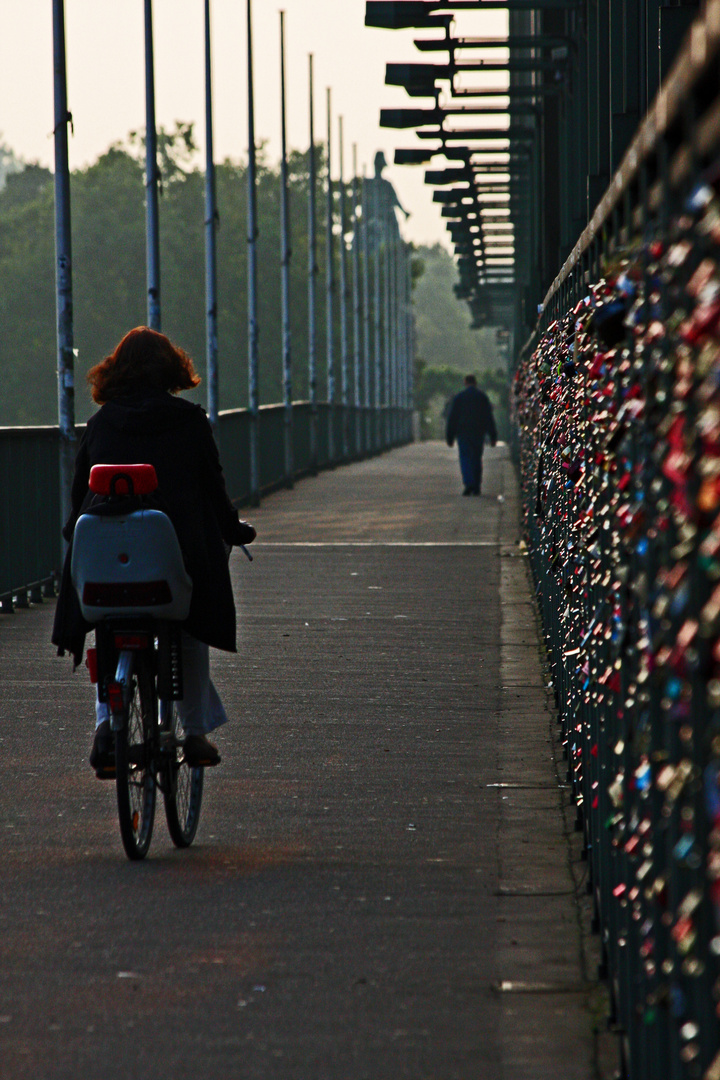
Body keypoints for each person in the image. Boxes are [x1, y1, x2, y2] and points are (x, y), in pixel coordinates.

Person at [51, 326, 256, 774]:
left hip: (104, 561)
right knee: (188, 621)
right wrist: (232, 528)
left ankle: (107, 722)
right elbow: (212, 487)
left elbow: (77, 494)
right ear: (171, 368)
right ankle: (196, 731)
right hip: (169, 560)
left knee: (105, 626)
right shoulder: (188, 420)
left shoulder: (101, 423)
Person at [446, 374, 498, 496]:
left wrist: (450, 436)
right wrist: (493, 436)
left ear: (465, 383)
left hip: (463, 432)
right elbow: (489, 418)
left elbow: (452, 418)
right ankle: (476, 485)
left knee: (465, 458)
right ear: (475, 383)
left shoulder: (459, 397)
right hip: (478, 432)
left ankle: (468, 483)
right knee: (476, 458)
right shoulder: (482, 397)